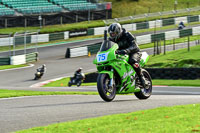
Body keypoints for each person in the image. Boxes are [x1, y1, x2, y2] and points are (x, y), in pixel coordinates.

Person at [108, 23, 147, 88]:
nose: (112, 35)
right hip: (121, 53)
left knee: (133, 61)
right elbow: (108, 48)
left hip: (134, 52)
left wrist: (126, 50)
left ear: (118, 31)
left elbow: (134, 45)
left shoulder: (127, 35)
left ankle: (141, 77)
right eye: (111, 34)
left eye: (114, 33)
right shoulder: (111, 39)